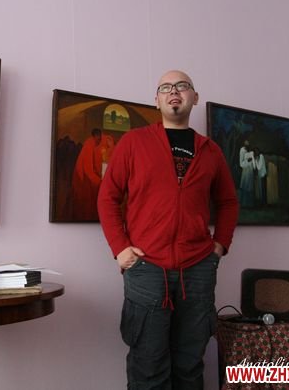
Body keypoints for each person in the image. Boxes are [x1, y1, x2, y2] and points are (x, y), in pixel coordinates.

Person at [97, 70, 239, 389]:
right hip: (146, 269)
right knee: (148, 366)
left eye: (182, 86)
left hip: (198, 270)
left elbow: (228, 201)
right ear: (157, 100)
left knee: (190, 365)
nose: (174, 91)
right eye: (166, 87)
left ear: (194, 97)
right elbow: (107, 197)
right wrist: (120, 248)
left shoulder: (211, 150)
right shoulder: (134, 142)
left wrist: (219, 245)